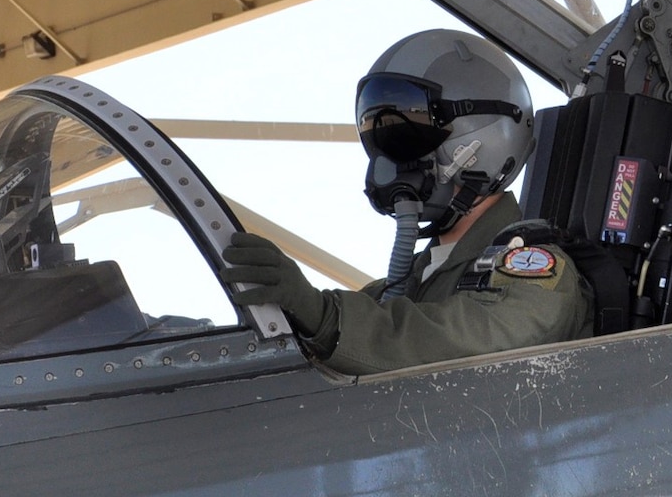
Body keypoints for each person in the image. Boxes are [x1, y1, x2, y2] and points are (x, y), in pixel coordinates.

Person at [220, 29, 592, 375]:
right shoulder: (395, 291)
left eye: (407, 133)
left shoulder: (539, 273)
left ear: (485, 142)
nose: (391, 163)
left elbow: (466, 341)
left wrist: (324, 317)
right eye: (380, 135)